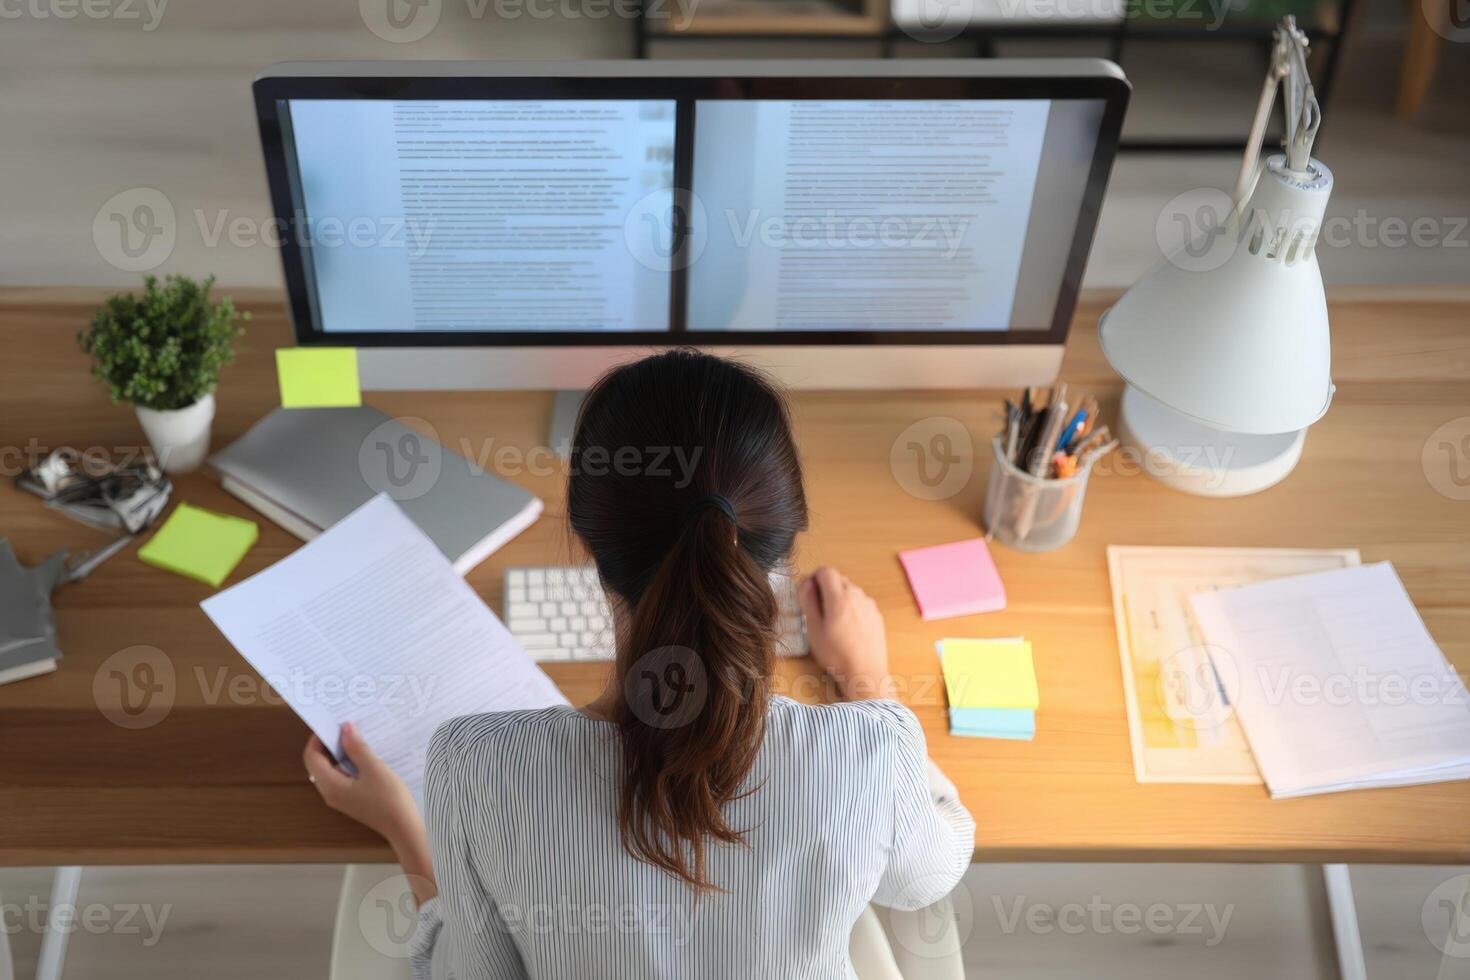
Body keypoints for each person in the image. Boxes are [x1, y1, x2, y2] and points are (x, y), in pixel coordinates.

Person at [303, 350, 975, 979]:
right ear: (781, 538)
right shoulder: (870, 752)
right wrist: (869, 685)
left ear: (590, 541)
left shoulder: (472, 767)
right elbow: (930, 876)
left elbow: (470, 972)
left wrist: (404, 826)